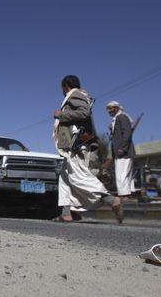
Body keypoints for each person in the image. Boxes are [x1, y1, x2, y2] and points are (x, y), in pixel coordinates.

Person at [53, 75, 122, 223]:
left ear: (65, 86)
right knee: (64, 178)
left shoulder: (75, 95)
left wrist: (61, 115)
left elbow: (84, 112)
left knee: (78, 176)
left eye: (63, 89)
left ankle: (110, 199)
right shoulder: (81, 95)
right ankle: (66, 213)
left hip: (76, 144)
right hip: (75, 143)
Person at [106, 101, 137, 198]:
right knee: (127, 175)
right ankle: (130, 194)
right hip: (121, 152)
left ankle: (124, 196)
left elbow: (127, 133)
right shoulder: (117, 119)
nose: (109, 111)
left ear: (116, 108)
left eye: (110, 108)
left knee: (121, 174)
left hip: (123, 152)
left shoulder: (122, 117)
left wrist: (122, 148)